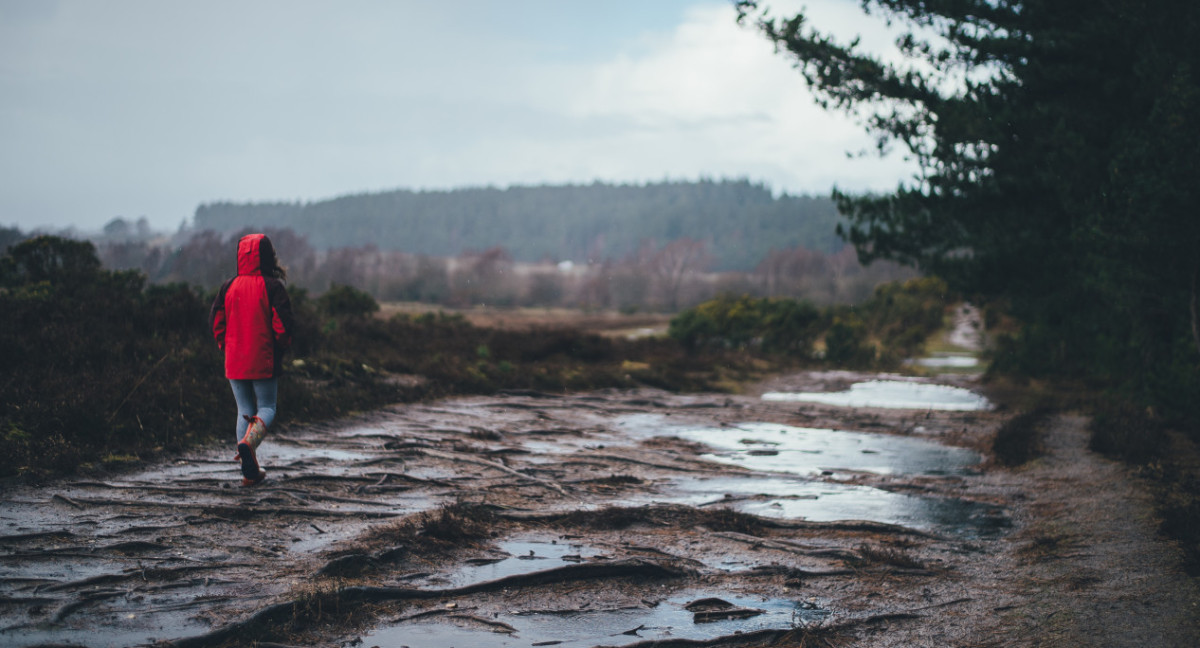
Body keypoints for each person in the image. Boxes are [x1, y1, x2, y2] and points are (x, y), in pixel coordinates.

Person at [209, 233, 295, 486]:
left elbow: (216, 321)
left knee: (243, 410)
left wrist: (225, 345)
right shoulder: (273, 287)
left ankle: (249, 472)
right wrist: (281, 347)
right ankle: (249, 444)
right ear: (268, 257)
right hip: (263, 358)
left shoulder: (228, 286)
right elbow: (283, 326)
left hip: (234, 360)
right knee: (267, 407)